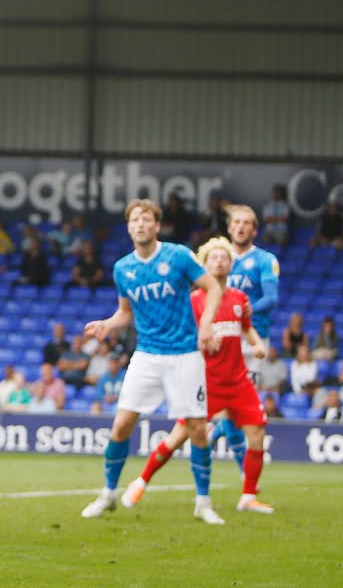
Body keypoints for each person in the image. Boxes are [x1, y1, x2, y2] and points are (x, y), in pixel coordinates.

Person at [80, 199, 225, 524]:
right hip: (146, 355)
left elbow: (212, 287)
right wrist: (107, 324)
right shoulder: (123, 268)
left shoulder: (178, 256)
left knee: (197, 429)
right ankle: (108, 494)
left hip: (185, 354)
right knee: (121, 425)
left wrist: (205, 326)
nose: (140, 224)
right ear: (129, 227)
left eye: (146, 219)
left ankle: (203, 501)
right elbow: (126, 312)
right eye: (134, 220)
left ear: (156, 226)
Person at [121, 235, 275, 515]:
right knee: (176, 438)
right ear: (203, 264)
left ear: (231, 265)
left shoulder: (240, 298)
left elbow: (246, 327)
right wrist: (202, 340)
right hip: (206, 382)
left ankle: (248, 496)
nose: (220, 261)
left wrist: (256, 343)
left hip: (238, 380)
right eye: (214, 257)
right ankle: (141, 481)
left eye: (225, 257)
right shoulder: (192, 300)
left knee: (257, 434)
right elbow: (181, 336)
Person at [224, 204, 280, 388]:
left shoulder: (265, 259)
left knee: (244, 397)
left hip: (253, 337)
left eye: (246, 223)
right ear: (229, 227)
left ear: (254, 231)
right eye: (237, 222)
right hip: (222, 334)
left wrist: (246, 311)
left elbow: (271, 298)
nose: (241, 227)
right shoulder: (218, 258)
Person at [260, 184, 290, 248]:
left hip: (281, 230)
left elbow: (284, 219)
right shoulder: (267, 206)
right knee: (264, 242)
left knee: (283, 241)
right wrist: (278, 218)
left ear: (281, 194)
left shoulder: (285, 206)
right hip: (269, 230)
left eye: (278, 192)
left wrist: (272, 219)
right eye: (274, 192)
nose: (276, 194)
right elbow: (266, 220)